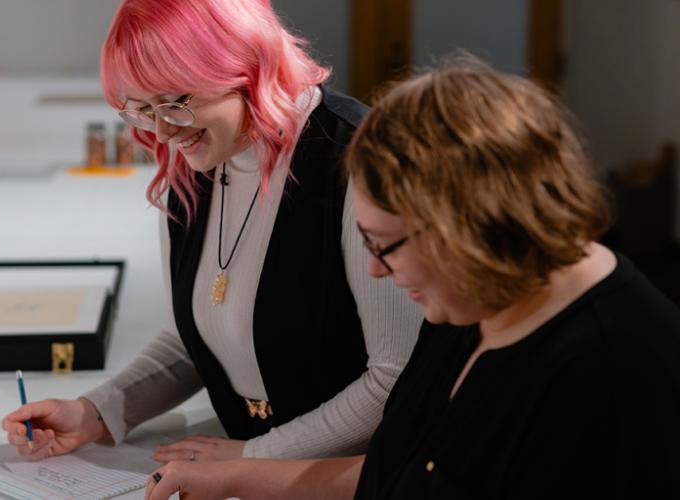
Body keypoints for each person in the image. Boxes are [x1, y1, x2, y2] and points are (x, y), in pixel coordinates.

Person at [141, 56, 680, 499]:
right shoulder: (473, 304)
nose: (376, 269)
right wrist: (236, 476)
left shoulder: (612, 365)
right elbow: (398, 473)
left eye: (386, 244)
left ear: (469, 222)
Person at [2, 0, 422, 463]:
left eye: (176, 104)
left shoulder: (357, 161)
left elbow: (395, 379)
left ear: (248, 70)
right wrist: (95, 411)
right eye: (140, 110)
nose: (161, 133)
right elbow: (191, 339)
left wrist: (250, 461)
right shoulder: (196, 165)